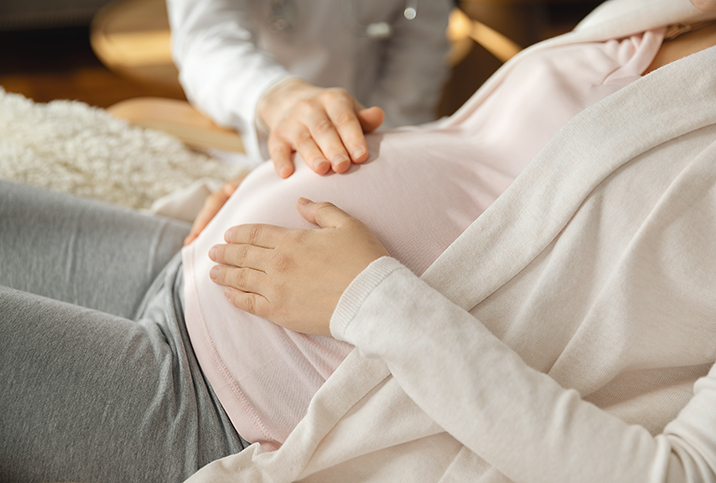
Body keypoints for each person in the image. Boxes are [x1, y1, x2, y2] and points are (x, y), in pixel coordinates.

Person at [1, 1, 715, 482]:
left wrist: (370, 299)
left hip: (237, 408)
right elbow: (492, 169)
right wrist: (273, 172)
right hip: (203, 262)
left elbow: (675, 472)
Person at [166, 0, 452, 245]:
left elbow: (419, 52)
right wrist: (276, 95)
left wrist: (375, 147)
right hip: (254, 138)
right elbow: (207, 37)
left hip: (378, 146)